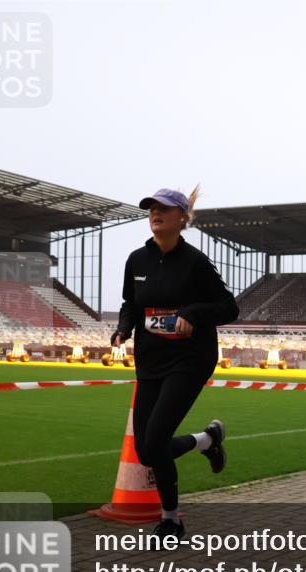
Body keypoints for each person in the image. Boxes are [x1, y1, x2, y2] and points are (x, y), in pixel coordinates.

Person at [113, 187, 239, 539]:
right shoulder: (136, 260)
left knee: (156, 440)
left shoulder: (195, 262)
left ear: (183, 218)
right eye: (152, 208)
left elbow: (229, 308)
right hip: (150, 361)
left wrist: (192, 313)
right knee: (146, 449)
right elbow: (130, 305)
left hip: (189, 359)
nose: (156, 213)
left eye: (165, 209)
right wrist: (123, 329)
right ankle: (207, 440)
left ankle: (171, 520)